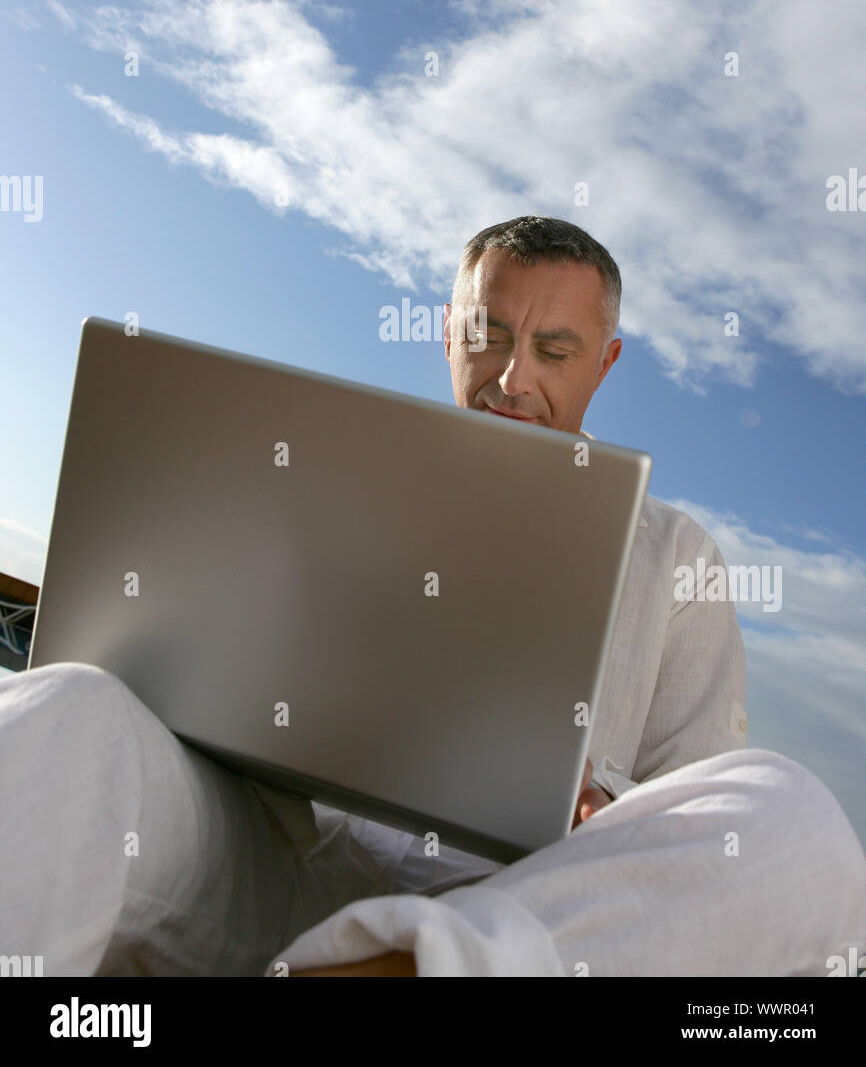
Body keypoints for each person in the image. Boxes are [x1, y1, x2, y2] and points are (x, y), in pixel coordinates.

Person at [2, 216, 864, 977]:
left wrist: (607, 819)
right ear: (446, 332)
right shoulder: (299, 470)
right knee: (72, 708)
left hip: (513, 917)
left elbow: (701, 841)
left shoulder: (678, 556)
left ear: (604, 365)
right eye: (487, 336)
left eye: (555, 350)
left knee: (791, 817)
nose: (513, 378)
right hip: (280, 862)